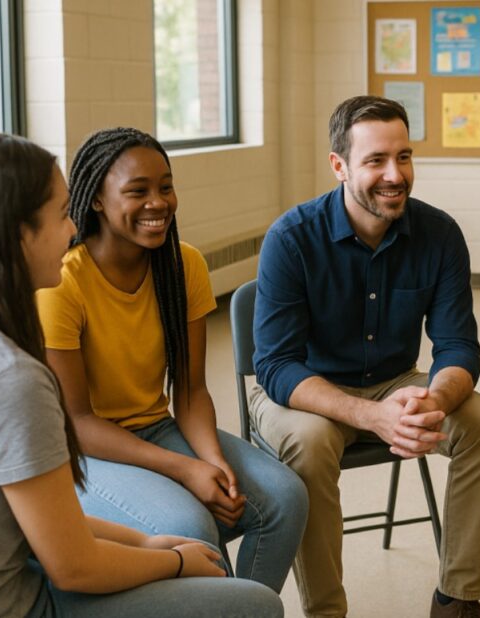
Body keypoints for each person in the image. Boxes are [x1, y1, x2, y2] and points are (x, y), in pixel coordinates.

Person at [0, 132, 283, 618]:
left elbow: (33, 521)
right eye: (61, 214)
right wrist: (173, 562)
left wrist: (146, 541)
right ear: (17, 234)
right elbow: (72, 566)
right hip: (28, 600)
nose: (72, 230)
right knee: (250, 602)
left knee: (277, 504)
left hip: (27, 564)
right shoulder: (10, 380)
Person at [248, 95, 480, 618]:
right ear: (339, 166)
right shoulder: (291, 239)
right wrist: (372, 416)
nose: (395, 174)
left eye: (404, 156)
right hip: (306, 392)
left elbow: (457, 346)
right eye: (376, 161)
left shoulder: (440, 234)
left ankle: (456, 599)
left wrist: (432, 401)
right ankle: (327, 611)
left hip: (397, 384)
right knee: (310, 440)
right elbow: (276, 366)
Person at [36, 127, 307, 592]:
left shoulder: (185, 265)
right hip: (88, 450)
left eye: (166, 186)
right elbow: (76, 421)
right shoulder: (63, 282)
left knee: (286, 497)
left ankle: (245, 608)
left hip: (159, 428)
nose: (158, 202)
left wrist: (213, 462)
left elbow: (191, 390)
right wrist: (185, 469)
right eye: (137, 191)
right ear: (97, 199)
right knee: (192, 527)